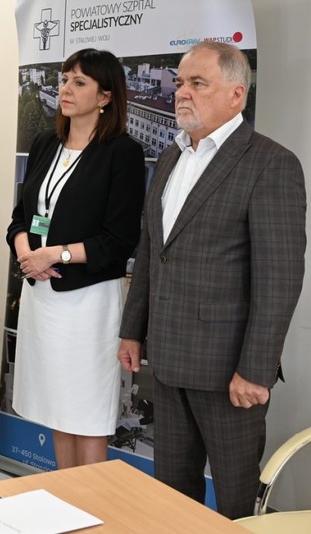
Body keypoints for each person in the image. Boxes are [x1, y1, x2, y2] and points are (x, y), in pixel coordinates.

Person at [118, 42, 306, 520]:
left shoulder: (271, 163)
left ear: (236, 94)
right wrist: (133, 330)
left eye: (197, 83)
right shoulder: (170, 158)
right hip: (168, 362)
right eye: (181, 82)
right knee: (172, 497)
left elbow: (279, 278)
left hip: (229, 373)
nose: (182, 92)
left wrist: (256, 370)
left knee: (236, 500)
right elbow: (151, 251)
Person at [7, 48, 145, 469]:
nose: (65, 88)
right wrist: (27, 253)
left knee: (86, 411)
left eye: (79, 82)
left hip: (88, 301)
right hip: (41, 294)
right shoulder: (45, 143)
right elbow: (20, 217)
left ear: (105, 96)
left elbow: (120, 240)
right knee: (55, 408)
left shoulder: (122, 152)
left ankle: (90, 502)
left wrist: (57, 254)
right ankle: (64, 495)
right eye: (64, 79)